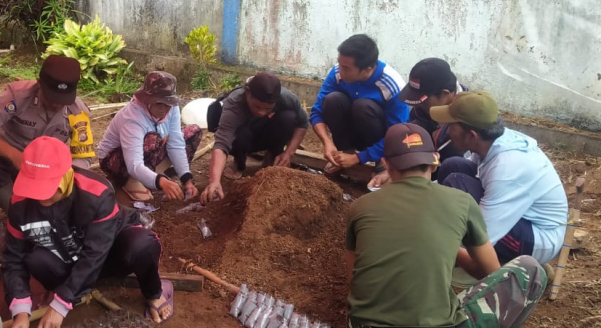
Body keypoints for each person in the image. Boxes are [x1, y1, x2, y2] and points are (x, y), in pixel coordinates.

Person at [346, 123, 546, 328]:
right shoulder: (461, 202)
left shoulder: (360, 207)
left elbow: (354, 279)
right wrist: (454, 252)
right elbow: (492, 274)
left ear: (387, 165)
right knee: (531, 269)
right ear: (435, 160)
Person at [3, 136, 173, 328]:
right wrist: (19, 310)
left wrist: (61, 305)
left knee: (141, 245)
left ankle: (154, 292)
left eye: (47, 188)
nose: (40, 198)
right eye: (35, 187)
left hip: (110, 253)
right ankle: (69, 290)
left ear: (66, 175)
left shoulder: (96, 193)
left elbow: (95, 254)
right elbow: (13, 258)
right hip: (68, 253)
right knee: (36, 259)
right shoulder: (19, 204)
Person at [429, 91, 567, 270]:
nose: (445, 128)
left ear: (471, 135)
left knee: (457, 185)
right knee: (452, 166)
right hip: (518, 217)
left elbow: (484, 234)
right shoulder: (493, 141)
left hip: (538, 239)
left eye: (451, 125)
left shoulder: (507, 168)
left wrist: (446, 251)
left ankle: (520, 266)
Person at [0, 55, 93, 212]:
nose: (57, 104)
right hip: (14, 166)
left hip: (49, 174)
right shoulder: (16, 97)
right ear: (39, 82)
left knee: (84, 187)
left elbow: (83, 157)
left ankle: (48, 212)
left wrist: (63, 182)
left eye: (63, 99)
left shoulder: (78, 112)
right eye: (51, 97)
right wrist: (14, 156)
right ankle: (17, 212)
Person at [200, 72, 309, 204]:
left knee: (288, 117)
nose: (261, 112)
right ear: (247, 93)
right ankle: (239, 163)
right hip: (243, 138)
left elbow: (303, 123)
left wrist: (289, 153)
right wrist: (214, 181)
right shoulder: (234, 104)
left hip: (265, 134)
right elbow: (222, 144)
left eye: (268, 108)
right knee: (242, 135)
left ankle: (272, 156)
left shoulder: (287, 98)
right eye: (257, 106)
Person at [309, 34, 409, 174]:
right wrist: (327, 142)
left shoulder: (393, 86)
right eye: (339, 63)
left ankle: (381, 161)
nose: (340, 70)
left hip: (379, 140)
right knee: (332, 99)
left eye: (346, 68)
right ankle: (345, 153)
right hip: (352, 132)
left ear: (367, 70)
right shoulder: (337, 72)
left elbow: (397, 135)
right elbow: (316, 112)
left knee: (363, 106)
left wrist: (359, 158)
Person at [97, 71, 201, 202]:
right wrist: (161, 182)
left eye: (167, 103)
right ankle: (133, 181)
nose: (164, 109)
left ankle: (151, 175)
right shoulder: (132, 118)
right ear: (147, 100)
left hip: (149, 151)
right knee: (152, 139)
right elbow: (134, 163)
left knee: (193, 132)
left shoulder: (172, 108)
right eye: (159, 103)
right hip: (115, 160)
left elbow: (176, 143)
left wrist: (187, 181)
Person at [368, 57, 468, 187]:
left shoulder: (467, 119)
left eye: (423, 101)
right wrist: (389, 171)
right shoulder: (423, 109)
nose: (419, 105)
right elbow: (407, 142)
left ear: (445, 94)